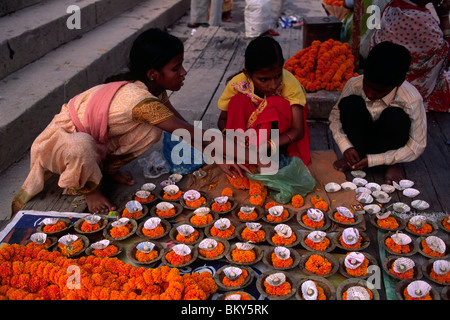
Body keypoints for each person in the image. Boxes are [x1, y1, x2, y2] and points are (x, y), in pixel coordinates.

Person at [12, 28, 249, 215]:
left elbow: (184, 129)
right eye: (176, 68)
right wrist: (251, 155)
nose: (184, 72)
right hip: (59, 143)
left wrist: (220, 158)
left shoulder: (153, 93)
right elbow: (192, 132)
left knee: (155, 130)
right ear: (153, 73)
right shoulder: (140, 100)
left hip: (90, 142)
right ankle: (90, 189)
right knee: (82, 145)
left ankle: (101, 169)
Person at [329, 41, 427, 184]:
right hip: (360, 138)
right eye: (366, 85)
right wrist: (346, 146)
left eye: (379, 91)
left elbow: (417, 146)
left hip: (390, 143)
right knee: (350, 104)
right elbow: (335, 116)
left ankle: (392, 164)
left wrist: (374, 160)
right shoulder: (354, 84)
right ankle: (354, 157)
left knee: (395, 117)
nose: (369, 94)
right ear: (364, 74)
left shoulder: (411, 99)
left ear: (398, 84)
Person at [217, 36, 311, 167]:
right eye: (264, 79)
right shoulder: (237, 84)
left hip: (280, 138)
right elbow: (222, 120)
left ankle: (272, 154)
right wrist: (234, 141)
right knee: (237, 101)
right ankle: (243, 154)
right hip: (248, 139)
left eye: (278, 76)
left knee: (274, 103)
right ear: (248, 74)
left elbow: (298, 130)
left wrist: (267, 145)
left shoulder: (289, 84)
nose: (273, 85)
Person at [371, 0, 450, 112]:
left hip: (386, 81)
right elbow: (446, 55)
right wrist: (444, 16)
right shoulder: (419, 18)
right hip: (407, 89)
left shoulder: (393, 7)